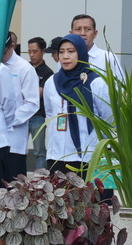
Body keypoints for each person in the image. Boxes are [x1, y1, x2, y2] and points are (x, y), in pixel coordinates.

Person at [43, 34, 112, 174]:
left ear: (81, 53)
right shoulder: (52, 82)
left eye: (71, 51)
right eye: (61, 52)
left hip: (88, 157)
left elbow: (109, 119)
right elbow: (50, 113)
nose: (65, 56)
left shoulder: (96, 82)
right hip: (57, 156)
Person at [0, 31, 41, 183]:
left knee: (14, 186)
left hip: (14, 139)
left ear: (12, 46)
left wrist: (8, 120)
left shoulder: (24, 68)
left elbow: (32, 103)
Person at [70, 14, 124, 80]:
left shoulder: (108, 57)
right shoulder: (65, 58)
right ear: (71, 34)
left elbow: (120, 86)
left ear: (95, 34)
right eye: (78, 29)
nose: (82, 33)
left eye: (88, 29)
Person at [26, 36, 54, 143]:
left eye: (35, 51)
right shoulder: (25, 67)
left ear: (43, 52)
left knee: (39, 151)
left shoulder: (47, 72)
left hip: (37, 116)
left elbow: (39, 94)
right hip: (22, 114)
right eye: (29, 52)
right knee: (18, 150)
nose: (31, 55)